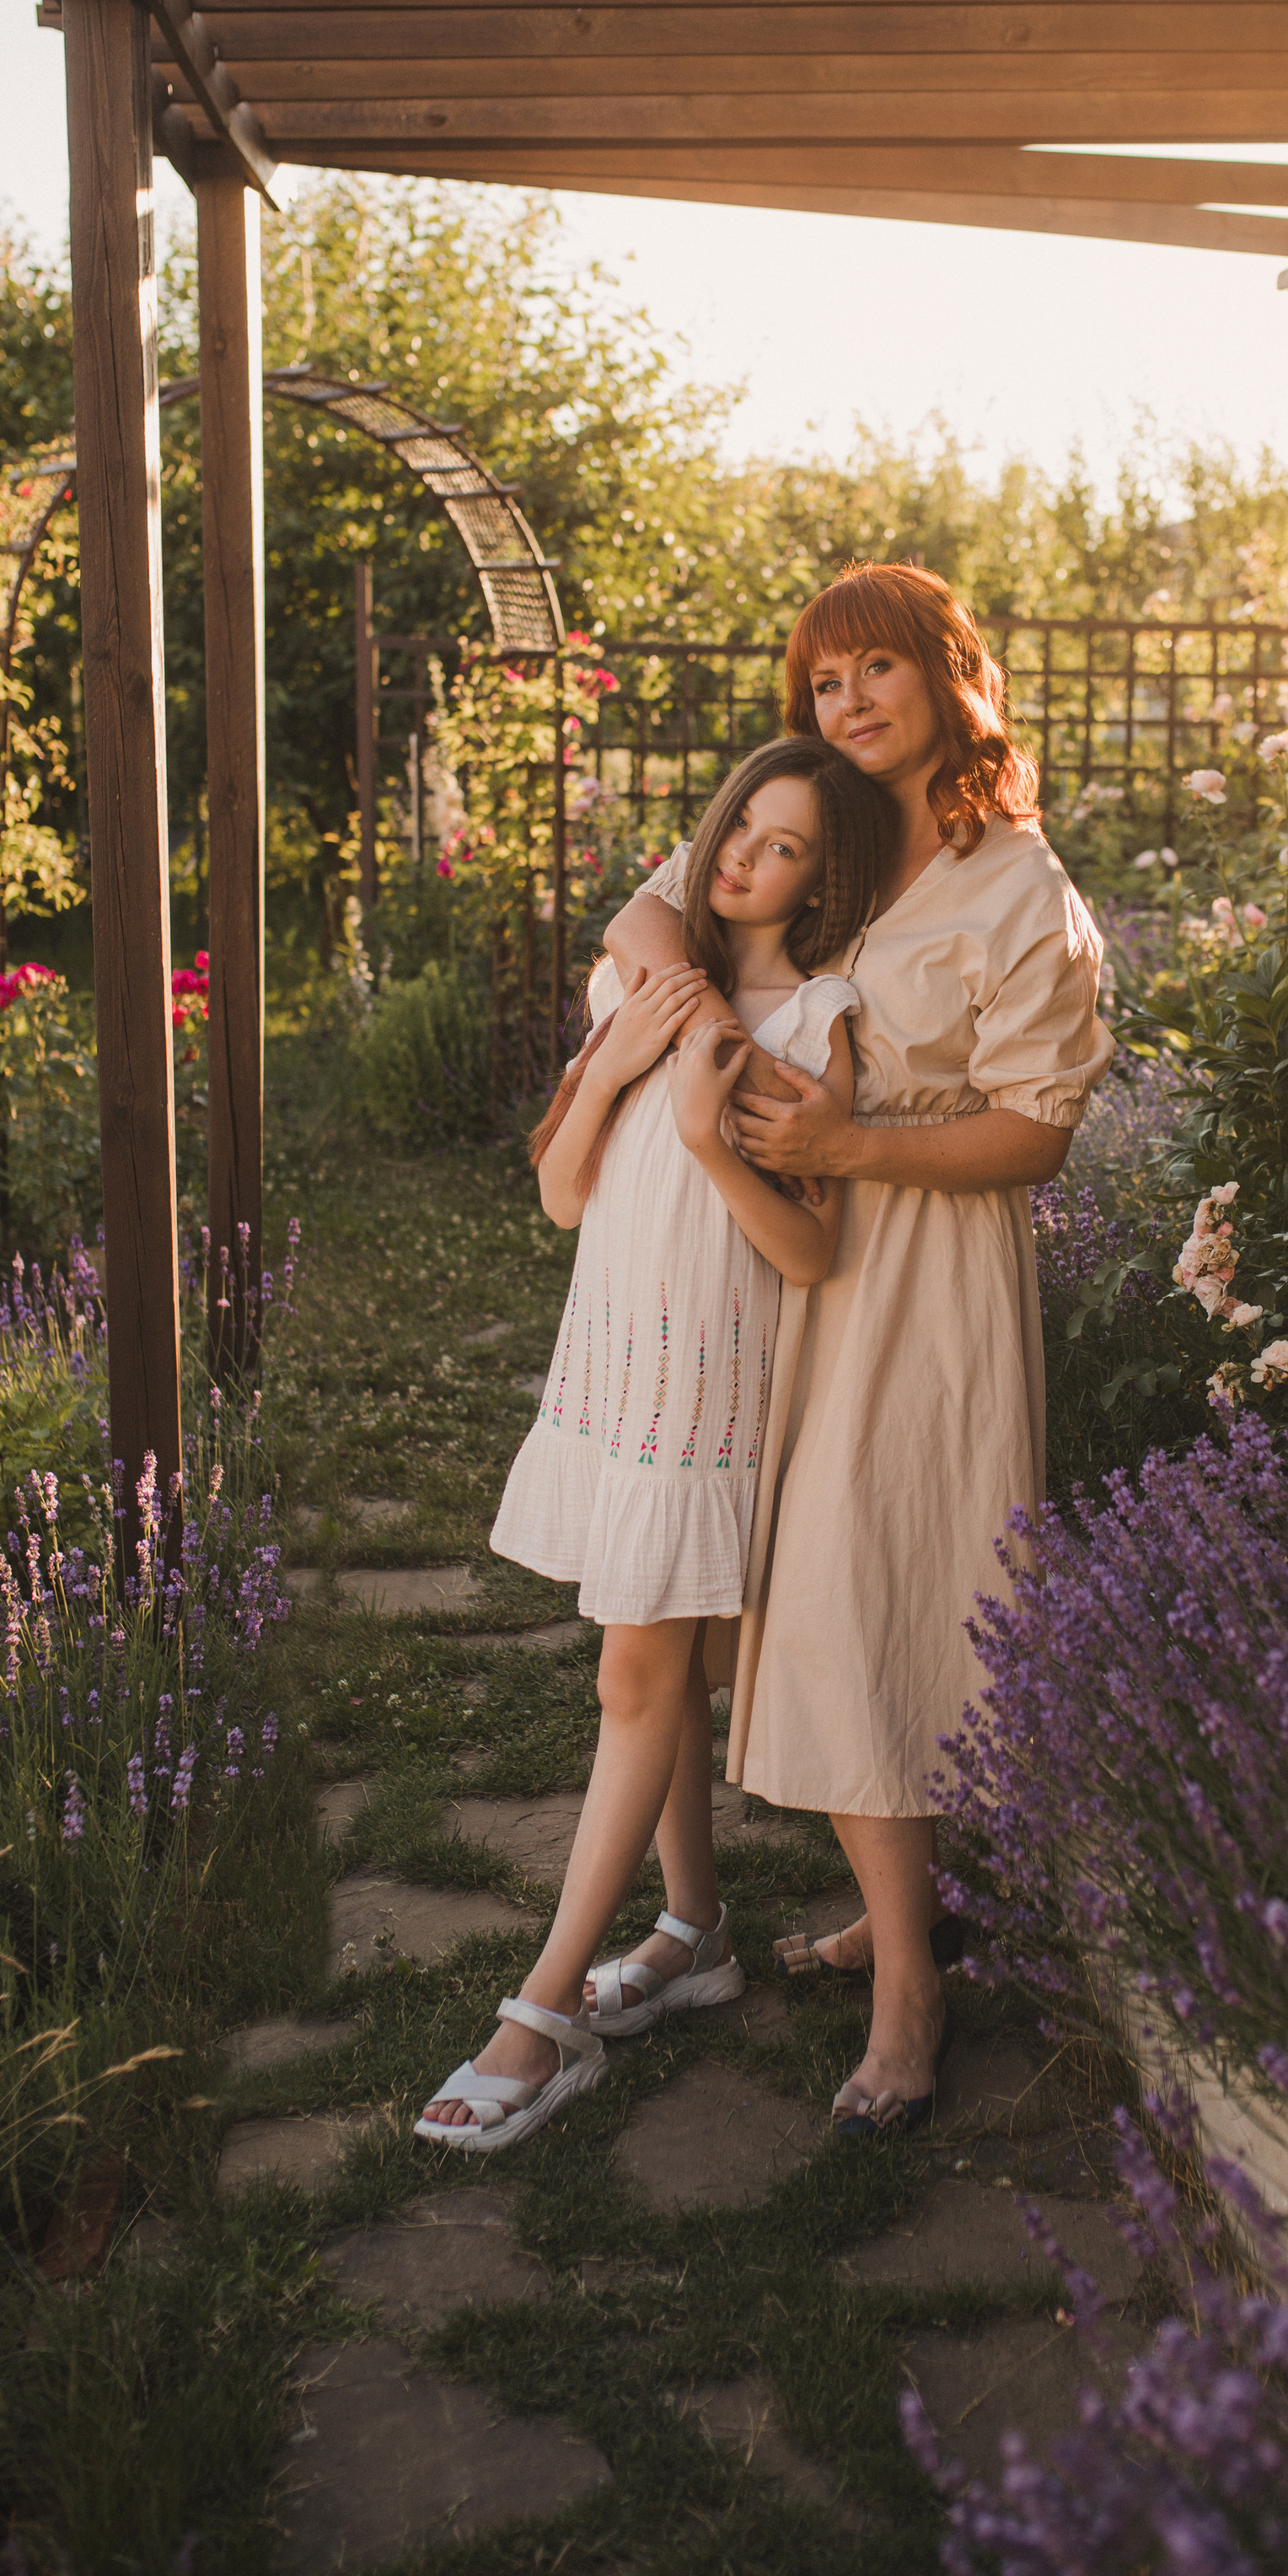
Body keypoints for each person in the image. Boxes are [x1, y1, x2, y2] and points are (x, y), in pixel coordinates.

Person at [605, 564, 1111, 2133]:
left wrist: (849, 1141)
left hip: (919, 1275)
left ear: (948, 675)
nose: (850, 705)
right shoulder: (817, 825)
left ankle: (910, 1991)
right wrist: (698, 1023)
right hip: (775, 1263)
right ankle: (905, 1915)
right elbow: (650, 906)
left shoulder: (1016, 886)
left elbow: (1035, 1133)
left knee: (865, 1586)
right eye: (824, 683)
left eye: (877, 670)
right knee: (797, 1588)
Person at [417, 736, 889, 2150]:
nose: (748, 857)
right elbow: (562, 1194)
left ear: (820, 880)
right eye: (742, 826)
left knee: (635, 1670)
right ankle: (693, 1930)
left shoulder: (816, 1025)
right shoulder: (649, 981)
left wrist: (709, 1138)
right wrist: (626, 1052)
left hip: (709, 1395)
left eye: (786, 847)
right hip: (614, 1372)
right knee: (655, 1665)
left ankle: (541, 2013)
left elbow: (809, 1253)